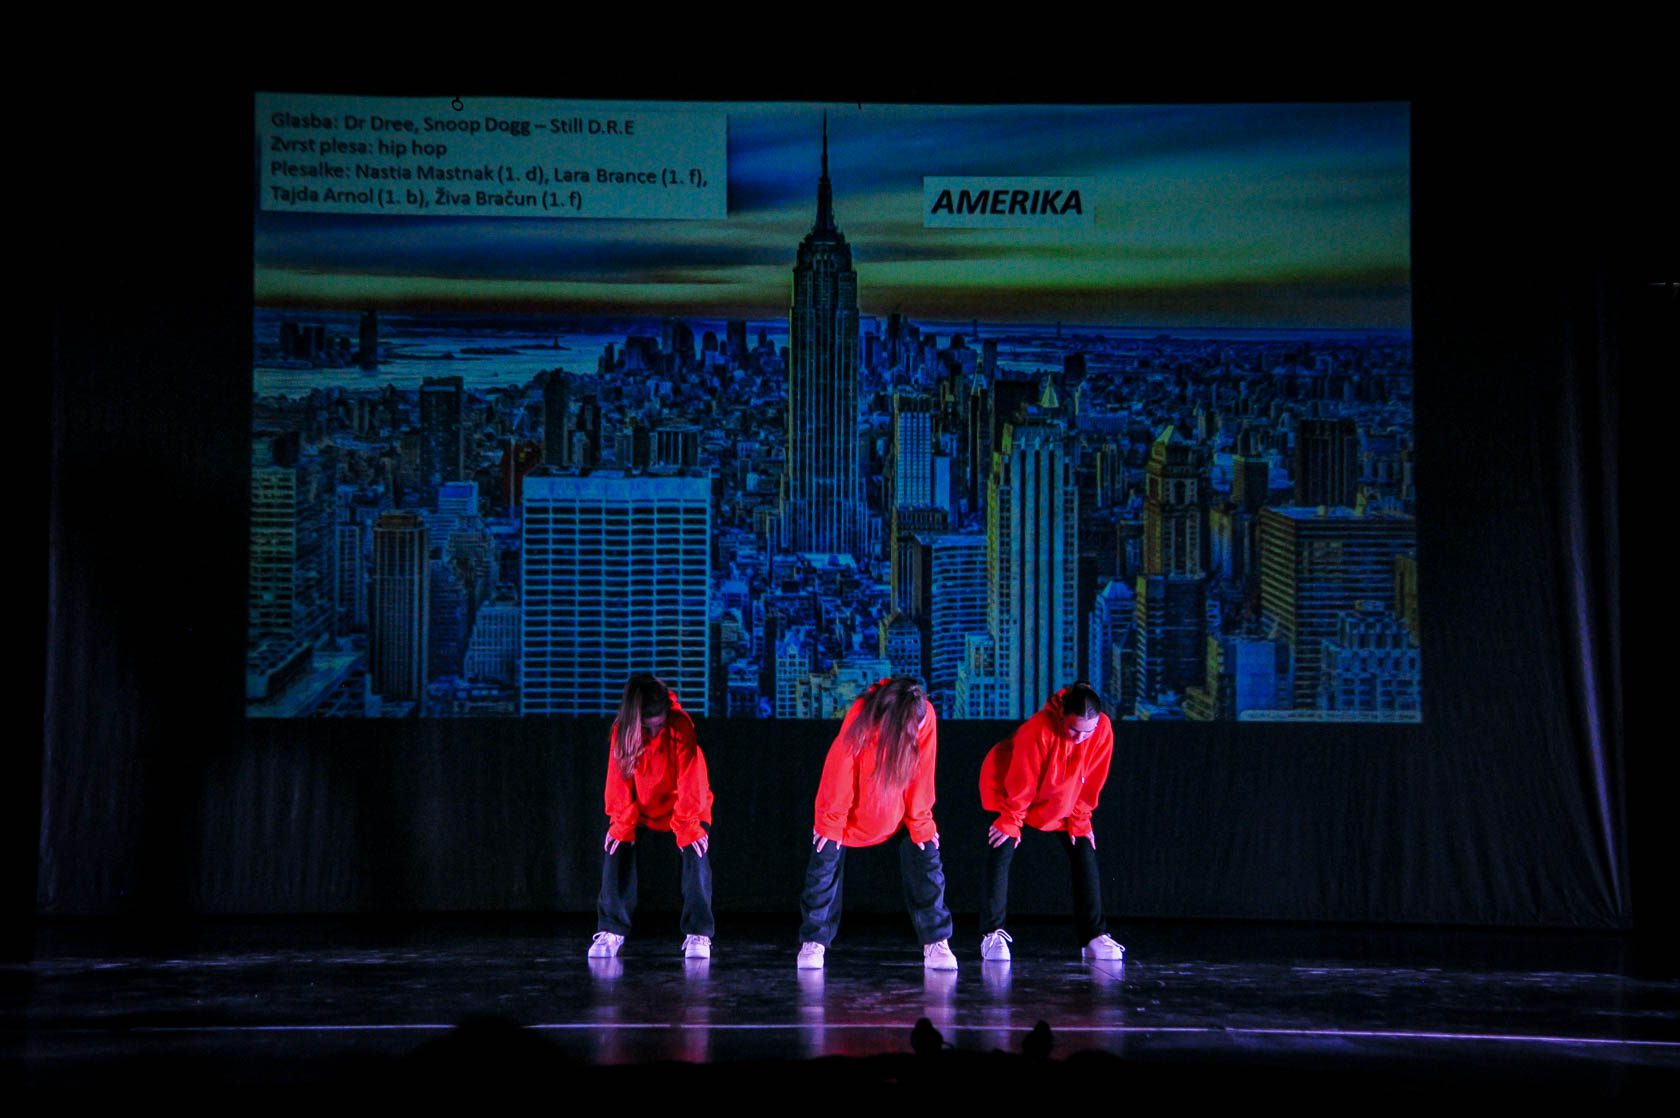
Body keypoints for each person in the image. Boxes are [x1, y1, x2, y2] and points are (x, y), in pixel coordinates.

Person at [797, 676, 957, 971]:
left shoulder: (925, 715)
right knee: (824, 855)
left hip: (897, 810)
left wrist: (921, 822)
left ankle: (937, 941)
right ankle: (814, 941)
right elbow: (840, 769)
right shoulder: (863, 715)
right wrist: (831, 823)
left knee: (926, 851)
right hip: (854, 810)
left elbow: (922, 772)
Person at [977, 682, 1125, 963]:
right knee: (1002, 844)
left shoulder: (1102, 730)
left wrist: (1080, 818)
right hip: (1008, 786)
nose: (1080, 738)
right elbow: (1022, 781)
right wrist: (1011, 819)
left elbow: (1092, 779)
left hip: (1061, 793)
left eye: (1088, 732)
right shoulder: (1038, 730)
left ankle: (1094, 935)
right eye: (1073, 730)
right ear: (1062, 718)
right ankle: (992, 933)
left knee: (1084, 849)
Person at [589, 674, 715, 960]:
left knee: (696, 851)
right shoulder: (622, 731)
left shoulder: (680, 725)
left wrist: (687, 826)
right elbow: (618, 782)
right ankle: (611, 929)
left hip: (683, 807)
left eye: (660, 725)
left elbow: (691, 780)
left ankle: (699, 932)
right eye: (649, 727)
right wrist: (622, 824)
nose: (656, 732)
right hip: (642, 808)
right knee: (615, 847)